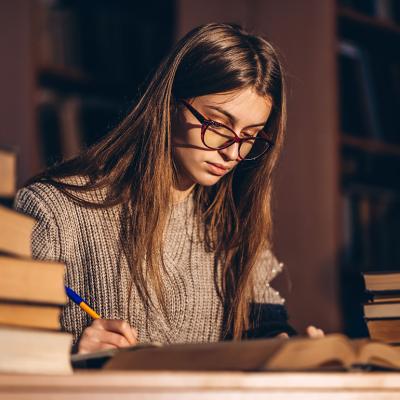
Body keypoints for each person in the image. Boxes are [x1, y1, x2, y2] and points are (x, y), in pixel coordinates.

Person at [14, 23, 324, 355]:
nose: (233, 152)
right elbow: (13, 352)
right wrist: (70, 354)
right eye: (217, 124)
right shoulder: (53, 211)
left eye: (249, 136)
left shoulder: (233, 223)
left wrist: (286, 348)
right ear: (170, 104)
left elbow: (264, 328)